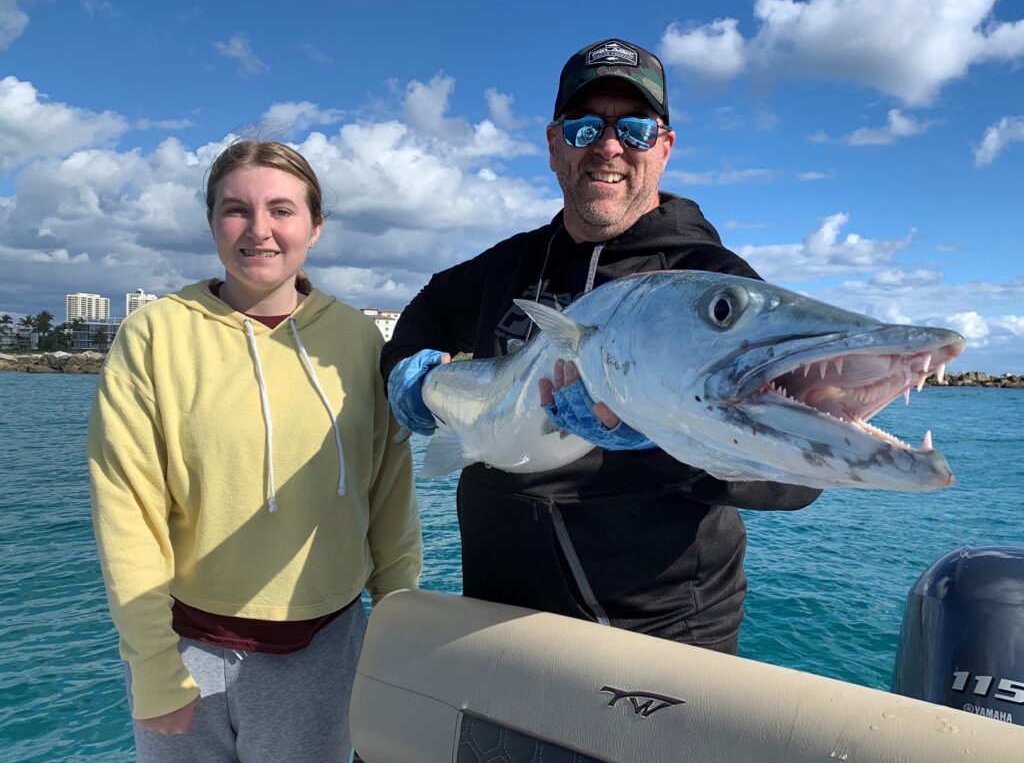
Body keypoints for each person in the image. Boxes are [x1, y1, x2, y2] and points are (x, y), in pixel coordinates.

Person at [382, 38, 819, 655]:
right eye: (585, 126)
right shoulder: (508, 265)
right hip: (495, 616)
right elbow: (428, 307)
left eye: (635, 128)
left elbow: (795, 480)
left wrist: (661, 438)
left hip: (659, 636)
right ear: (554, 144)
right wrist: (407, 371)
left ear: (664, 147)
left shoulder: (714, 290)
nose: (609, 147)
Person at [89, 140, 422, 762]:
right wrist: (153, 663)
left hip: (326, 647)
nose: (259, 230)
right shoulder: (153, 334)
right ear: (212, 221)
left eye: (282, 210)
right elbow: (125, 511)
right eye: (236, 209)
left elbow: (390, 493)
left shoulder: (358, 341)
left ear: (315, 226)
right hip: (185, 644)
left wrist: (398, 625)